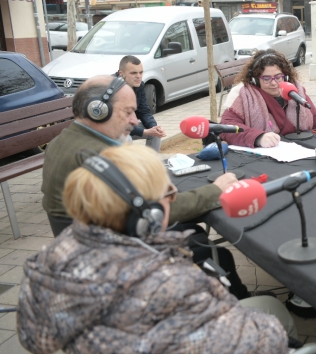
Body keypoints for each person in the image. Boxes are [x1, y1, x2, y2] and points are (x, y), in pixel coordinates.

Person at [19, 145, 294, 354]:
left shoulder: (48, 259)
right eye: (169, 193)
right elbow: (258, 340)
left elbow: (32, 337)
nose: (172, 198)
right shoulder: (170, 283)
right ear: (146, 214)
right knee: (272, 311)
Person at [41, 75, 251, 299]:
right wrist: (217, 190)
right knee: (216, 254)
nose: (134, 121)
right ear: (98, 110)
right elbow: (156, 211)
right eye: (128, 111)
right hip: (113, 256)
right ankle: (242, 310)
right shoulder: (103, 158)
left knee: (194, 233)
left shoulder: (66, 140)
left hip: (92, 244)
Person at [220, 50, 316, 148]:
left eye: (278, 77)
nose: (274, 83)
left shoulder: (296, 91)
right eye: (266, 79)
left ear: (286, 77)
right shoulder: (243, 96)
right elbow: (227, 128)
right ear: (255, 80)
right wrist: (258, 137)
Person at [115, 55, 166, 151]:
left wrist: (154, 127)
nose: (138, 76)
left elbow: (144, 111)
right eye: (133, 73)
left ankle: (151, 164)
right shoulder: (113, 89)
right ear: (121, 74)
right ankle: (129, 165)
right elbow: (119, 124)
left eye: (141, 72)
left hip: (128, 126)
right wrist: (145, 131)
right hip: (110, 131)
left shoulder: (139, 85)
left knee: (155, 134)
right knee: (127, 139)